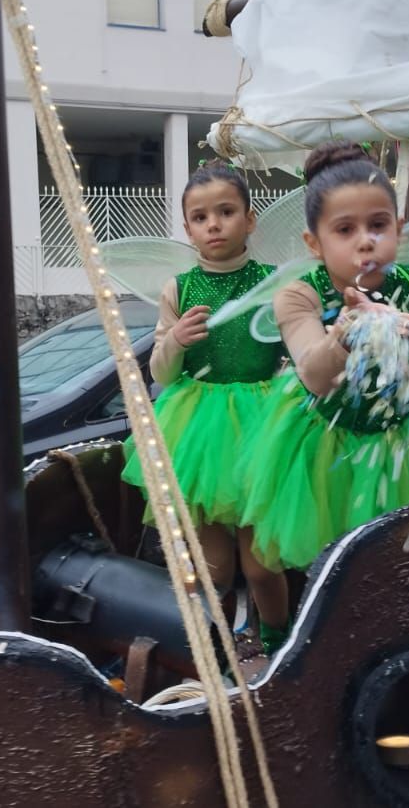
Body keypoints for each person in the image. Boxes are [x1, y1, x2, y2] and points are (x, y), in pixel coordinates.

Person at [239, 140, 409, 574]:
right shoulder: (298, 295)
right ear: (313, 242)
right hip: (325, 453)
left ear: (399, 228)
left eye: (379, 225)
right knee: (335, 578)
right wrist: (347, 330)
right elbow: (313, 376)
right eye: (344, 230)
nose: (366, 242)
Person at [121, 164, 293, 655]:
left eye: (225, 211)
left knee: (262, 563)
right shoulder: (179, 288)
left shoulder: (274, 282)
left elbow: (298, 348)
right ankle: (213, 649)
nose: (213, 224)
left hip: (264, 423)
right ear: (187, 228)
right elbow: (161, 374)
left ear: (250, 219)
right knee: (212, 565)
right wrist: (174, 341)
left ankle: (278, 643)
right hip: (199, 429)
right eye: (199, 216)